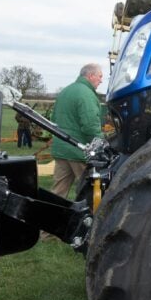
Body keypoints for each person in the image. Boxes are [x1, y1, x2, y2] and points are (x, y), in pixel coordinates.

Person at [51, 63, 104, 199]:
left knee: (58, 192)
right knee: (87, 191)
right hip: (79, 151)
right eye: (100, 76)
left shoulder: (65, 91)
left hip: (61, 150)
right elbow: (90, 126)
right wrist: (102, 143)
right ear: (91, 76)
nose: (101, 80)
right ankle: (87, 218)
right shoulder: (86, 94)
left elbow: (54, 118)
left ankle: (51, 216)